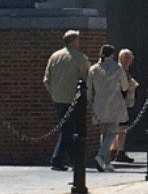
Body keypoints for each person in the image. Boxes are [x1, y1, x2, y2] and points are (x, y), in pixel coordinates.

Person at [42, 30, 88, 172]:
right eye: (78, 40)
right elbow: (87, 79)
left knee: (66, 129)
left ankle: (68, 159)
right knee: (69, 130)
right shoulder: (80, 58)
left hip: (58, 99)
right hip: (74, 99)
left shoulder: (54, 56)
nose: (79, 42)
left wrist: (54, 93)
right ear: (73, 41)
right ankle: (61, 159)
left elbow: (46, 80)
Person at [87, 42, 129, 173]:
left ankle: (107, 163)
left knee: (104, 132)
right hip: (114, 101)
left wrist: (90, 100)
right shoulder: (117, 68)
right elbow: (125, 86)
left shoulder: (93, 69)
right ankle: (100, 156)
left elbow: (89, 89)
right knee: (112, 132)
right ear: (112, 54)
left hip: (99, 102)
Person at [109, 47, 140, 164]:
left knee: (119, 127)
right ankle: (119, 151)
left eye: (128, 57)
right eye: (124, 57)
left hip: (124, 102)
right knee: (121, 128)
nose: (126, 60)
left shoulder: (124, 71)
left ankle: (114, 149)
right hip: (120, 103)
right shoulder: (119, 70)